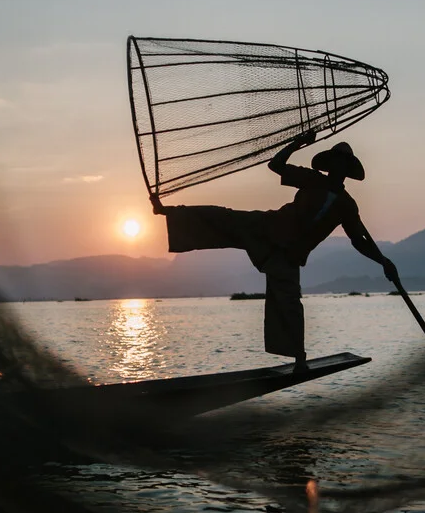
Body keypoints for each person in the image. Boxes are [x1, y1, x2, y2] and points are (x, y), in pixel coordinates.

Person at [151, 131, 398, 372]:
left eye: (343, 163)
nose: (338, 165)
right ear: (330, 163)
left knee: (290, 304)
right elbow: (276, 165)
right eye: (335, 160)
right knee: (223, 217)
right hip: (267, 227)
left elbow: (359, 241)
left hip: (289, 254)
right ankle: (168, 211)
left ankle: (299, 360)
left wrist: (383, 260)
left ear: (347, 169)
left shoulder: (347, 205)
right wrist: (297, 143)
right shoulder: (313, 179)